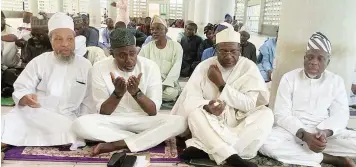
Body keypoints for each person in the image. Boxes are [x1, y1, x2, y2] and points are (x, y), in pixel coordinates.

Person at [72, 28, 186, 156]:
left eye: (132, 53)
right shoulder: (99, 68)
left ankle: (119, 143)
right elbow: (104, 112)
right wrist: (117, 94)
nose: (129, 59)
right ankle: (144, 139)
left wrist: (137, 93)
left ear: (137, 50)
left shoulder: (150, 66)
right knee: (79, 124)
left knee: (180, 122)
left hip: (143, 120)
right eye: (122, 55)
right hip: (112, 121)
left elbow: (153, 111)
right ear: (112, 53)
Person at [172, 26, 273, 167]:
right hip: (211, 119)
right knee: (195, 114)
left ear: (240, 50)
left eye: (233, 51)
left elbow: (249, 104)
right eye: (223, 51)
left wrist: (221, 85)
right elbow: (189, 100)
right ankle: (234, 159)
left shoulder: (248, 67)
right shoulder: (204, 67)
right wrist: (207, 106)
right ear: (215, 50)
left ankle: (209, 150)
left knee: (266, 115)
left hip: (239, 121)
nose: (229, 56)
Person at [259, 32, 356, 167]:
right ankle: (332, 159)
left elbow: (341, 115)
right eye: (310, 57)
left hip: (324, 134)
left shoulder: (336, 81)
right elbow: (281, 114)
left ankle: (308, 153)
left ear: (328, 62)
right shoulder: (289, 78)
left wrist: (324, 133)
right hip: (292, 132)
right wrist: (304, 135)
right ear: (304, 58)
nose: (314, 62)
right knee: (264, 142)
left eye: (320, 58)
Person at [1, 12, 95, 148]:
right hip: (37, 112)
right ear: (51, 41)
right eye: (59, 39)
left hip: (67, 117)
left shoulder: (85, 65)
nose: (65, 44)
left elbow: (89, 100)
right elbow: (22, 87)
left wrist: (84, 122)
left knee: (72, 131)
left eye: (70, 39)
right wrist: (25, 97)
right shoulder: (40, 62)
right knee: (13, 120)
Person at [138, 15, 183, 103]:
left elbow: (176, 70)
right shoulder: (146, 48)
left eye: (158, 28)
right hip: (150, 82)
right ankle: (153, 97)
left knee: (171, 93)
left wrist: (163, 85)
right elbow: (139, 66)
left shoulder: (176, 47)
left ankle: (150, 98)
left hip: (168, 84)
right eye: (152, 29)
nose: (154, 31)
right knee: (140, 89)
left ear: (166, 30)